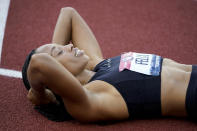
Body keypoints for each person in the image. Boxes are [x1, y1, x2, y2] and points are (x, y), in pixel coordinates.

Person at [22, 7, 197, 123]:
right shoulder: (91, 97)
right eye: (60, 51)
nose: (69, 45)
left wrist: (57, 53)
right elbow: (39, 63)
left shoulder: (99, 64)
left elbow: (68, 13)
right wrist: (41, 94)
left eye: (62, 46)